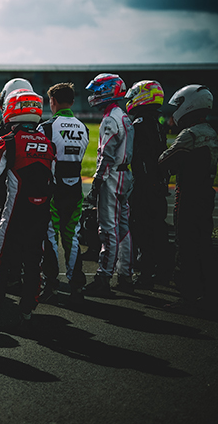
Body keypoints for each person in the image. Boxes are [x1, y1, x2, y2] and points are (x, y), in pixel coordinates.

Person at [0, 89, 55, 329]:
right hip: (40, 212)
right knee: (33, 261)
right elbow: (53, 181)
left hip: (13, 211)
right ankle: (27, 312)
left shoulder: (7, 140)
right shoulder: (47, 142)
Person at [158, 85, 218, 309]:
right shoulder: (210, 132)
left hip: (189, 195)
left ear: (190, 105)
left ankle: (188, 296)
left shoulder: (190, 135)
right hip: (206, 193)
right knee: (204, 242)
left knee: (185, 244)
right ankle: (209, 293)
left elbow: (164, 161)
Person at [36, 82, 90, 302]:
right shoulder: (84, 127)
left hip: (53, 190)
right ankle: (77, 285)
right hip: (75, 188)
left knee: (49, 236)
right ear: (73, 101)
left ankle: (51, 285)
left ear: (53, 101)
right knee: (72, 237)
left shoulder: (46, 127)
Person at [83, 73, 133, 297]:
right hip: (125, 175)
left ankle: (104, 278)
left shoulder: (110, 119)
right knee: (123, 227)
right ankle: (125, 274)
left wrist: (97, 181)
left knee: (108, 228)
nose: (93, 95)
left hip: (112, 176)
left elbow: (106, 155)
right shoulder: (123, 115)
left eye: (97, 91)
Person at [125, 80, 169, 289]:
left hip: (144, 184)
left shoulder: (139, 123)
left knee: (142, 228)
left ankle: (146, 274)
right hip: (158, 182)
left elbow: (139, 157)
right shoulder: (158, 120)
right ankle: (162, 271)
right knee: (159, 228)